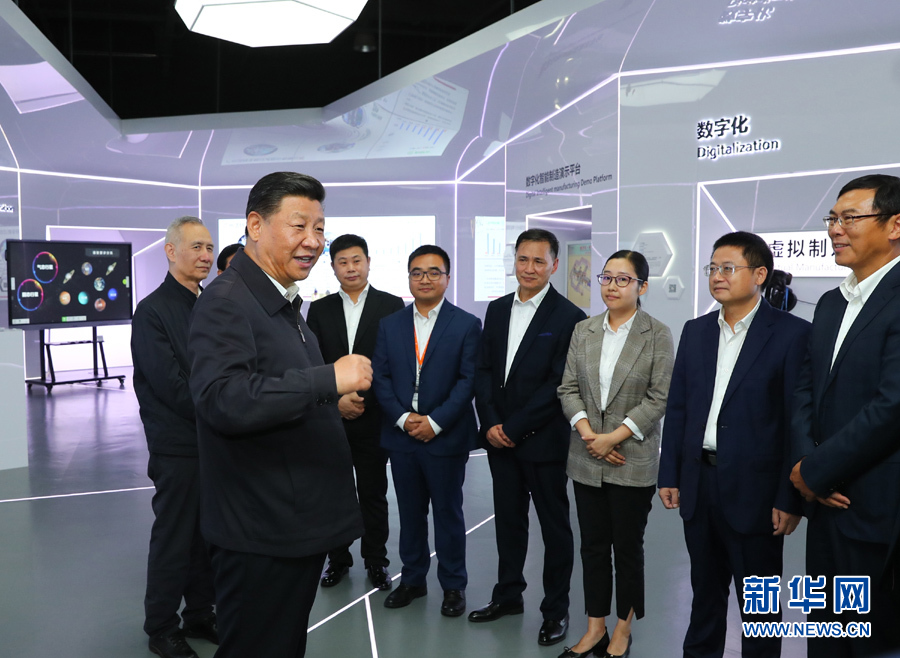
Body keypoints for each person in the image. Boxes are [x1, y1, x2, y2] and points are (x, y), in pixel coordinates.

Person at [187, 172, 368, 658]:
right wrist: (327, 381)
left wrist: (328, 399)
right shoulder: (227, 302)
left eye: (319, 228)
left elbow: (272, 384)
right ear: (255, 225)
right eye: (298, 226)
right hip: (261, 532)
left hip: (290, 525)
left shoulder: (280, 300)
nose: (313, 241)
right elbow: (223, 398)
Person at [659, 231, 809, 658]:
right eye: (713, 268)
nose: (717, 276)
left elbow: (795, 422)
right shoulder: (696, 331)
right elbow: (679, 407)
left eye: (728, 268)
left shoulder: (792, 334)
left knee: (759, 609)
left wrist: (789, 497)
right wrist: (670, 473)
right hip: (699, 483)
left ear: (759, 275)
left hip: (756, 493)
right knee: (704, 595)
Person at [790, 174, 900, 657]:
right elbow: (806, 389)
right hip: (823, 501)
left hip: (876, 504)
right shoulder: (833, 302)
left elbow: (892, 406)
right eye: (832, 218)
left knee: (873, 639)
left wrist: (816, 471)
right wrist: (805, 464)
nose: (835, 229)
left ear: (895, 225)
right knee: (827, 633)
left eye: (850, 218)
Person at [469, 228, 586, 647]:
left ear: (554, 265)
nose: (529, 268)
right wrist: (490, 422)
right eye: (523, 259)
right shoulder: (497, 309)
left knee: (554, 529)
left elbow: (558, 384)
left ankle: (555, 611)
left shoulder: (569, 317)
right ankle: (508, 596)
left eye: (539, 261)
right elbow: (484, 370)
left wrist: (514, 427)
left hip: (543, 442)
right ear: (514, 261)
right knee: (508, 522)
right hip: (499, 440)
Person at [557, 250, 674, 658]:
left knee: (626, 548)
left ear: (642, 286)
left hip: (631, 458)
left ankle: (623, 630)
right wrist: (591, 436)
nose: (611, 286)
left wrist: (614, 438)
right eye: (606, 277)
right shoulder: (584, 330)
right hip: (586, 455)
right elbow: (568, 388)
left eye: (623, 279)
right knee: (592, 547)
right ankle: (595, 628)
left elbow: (658, 397)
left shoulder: (657, 334)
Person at [372, 245, 482, 617]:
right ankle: (413, 580)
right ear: (408, 278)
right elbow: (381, 377)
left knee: (448, 513)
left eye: (434, 272)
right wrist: (403, 419)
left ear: (447, 278)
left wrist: (435, 422)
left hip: (445, 436)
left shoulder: (466, 324)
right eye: (417, 272)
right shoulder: (390, 324)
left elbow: (468, 381)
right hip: (402, 436)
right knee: (410, 512)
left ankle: (453, 585)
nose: (425, 279)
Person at [131, 216, 217, 658]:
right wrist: (227, 407)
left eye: (209, 247)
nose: (206, 256)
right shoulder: (152, 311)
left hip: (214, 443)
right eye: (196, 247)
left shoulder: (211, 304)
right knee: (175, 538)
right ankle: (161, 626)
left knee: (208, 537)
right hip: (179, 447)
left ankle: (201, 613)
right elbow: (172, 386)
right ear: (171, 251)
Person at [306, 234, 405, 591]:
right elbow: (314, 363)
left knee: (373, 493)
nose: (351, 268)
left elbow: (394, 363)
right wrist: (337, 400)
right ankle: (338, 560)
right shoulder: (319, 309)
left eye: (356, 260)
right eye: (342, 262)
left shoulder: (391, 305)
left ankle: (376, 561)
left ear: (368, 262)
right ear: (333, 267)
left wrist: (362, 398)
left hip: (373, 416)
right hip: (331, 418)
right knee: (334, 493)